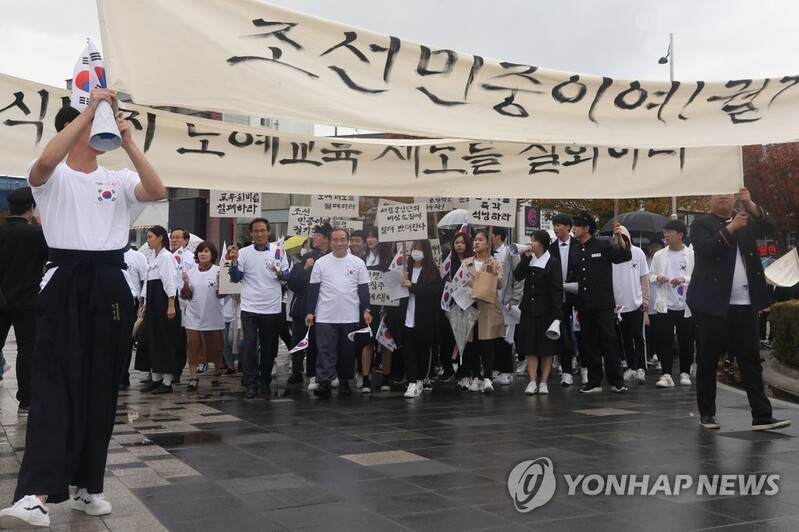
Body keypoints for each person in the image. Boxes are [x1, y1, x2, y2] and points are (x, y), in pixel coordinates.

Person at [0, 91, 166, 529]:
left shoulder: (118, 178)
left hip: (110, 283)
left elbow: (157, 189)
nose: (99, 132)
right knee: (54, 384)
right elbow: (44, 162)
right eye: (92, 126)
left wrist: (129, 140)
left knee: (102, 386)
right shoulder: (52, 179)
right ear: (75, 129)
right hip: (65, 280)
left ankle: (87, 487)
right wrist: (90, 111)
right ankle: (35, 495)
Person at [687, 188, 790, 431]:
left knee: (751, 359)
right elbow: (707, 249)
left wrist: (751, 205)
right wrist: (731, 228)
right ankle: (707, 413)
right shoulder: (702, 224)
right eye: (718, 193)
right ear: (709, 198)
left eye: (728, 193)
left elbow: (770, 226)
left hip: (744, 301)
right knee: (708, 358)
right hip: (712, 304)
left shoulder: (745, 219)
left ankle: (762, 415)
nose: (724, 196)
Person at [567, 210, 632, 394]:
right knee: (588, 343)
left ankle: (616, 380)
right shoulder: (575, 249)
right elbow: (574, 274)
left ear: (586, 228)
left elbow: (624, 257)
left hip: (603, 303)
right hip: (584, 303)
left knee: (609, 341)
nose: (574, 229)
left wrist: (619, 238)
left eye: (577, 225)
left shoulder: (602, 245)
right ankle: (594, 381)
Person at [305, 228, 372, 398]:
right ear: (330, 241)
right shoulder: (321, 263)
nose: (339, 243)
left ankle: (344, 381)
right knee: (325, 350)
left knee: (346, 351)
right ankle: (324, 382)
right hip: (326, 314)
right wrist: (310, 312)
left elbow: (363, 289)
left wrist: (366, 309)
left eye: (343, 239)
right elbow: (313, 290)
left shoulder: (358, 263)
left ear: (347, 241)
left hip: (349, 314)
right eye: (335, 240)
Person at [229, 218, 290, 399]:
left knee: (269, 347)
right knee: (248, 345)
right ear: (251, 233)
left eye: (263, 230)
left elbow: (287, 274)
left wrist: (280, 273)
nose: (260, 234)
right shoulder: (244, 253)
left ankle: (264, 381)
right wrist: (233, 261)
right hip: (250, 307)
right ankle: (250, 382)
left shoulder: (278, 251)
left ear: (268, 232)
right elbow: (235, 277)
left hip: (271, 307)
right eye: (256, 231)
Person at [0, 187, 48, 412]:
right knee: (27, 350)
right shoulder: (36, 235)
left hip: (1, 300)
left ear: (9, 208)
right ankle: (26, 401)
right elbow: (51, 256)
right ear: (31, 208)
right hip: (28, 301)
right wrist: (41, 228)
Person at [514, 230, 564, 395]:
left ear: (541, 243)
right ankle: (532, 381)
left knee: (546, 348)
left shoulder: (553, 262)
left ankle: (543, 382)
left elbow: (557, 290)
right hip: (529, 310)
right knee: (531, 346)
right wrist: (526, 257)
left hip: (547, 311)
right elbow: (517, 275)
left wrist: (557, 316)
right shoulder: (529, 259)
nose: (531, 243)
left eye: (533, 240)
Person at [393, 240, 444, 398]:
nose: (416, 252)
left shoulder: (432, 271)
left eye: (420, 249)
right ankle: (412, 381)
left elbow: (434, 292)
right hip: (407, 316)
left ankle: (422, 378)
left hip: (424, 318)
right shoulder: (404, 269)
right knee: (408, 351)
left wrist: (413, 287)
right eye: (414, 248)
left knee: (423, 350)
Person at [650, 220, 695, 388]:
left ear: (681, 234)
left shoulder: (691, 255)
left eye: (670, 232)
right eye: (665, 232)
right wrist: (658, 278)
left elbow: (698, 277)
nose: (666, 235)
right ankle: (666, 374)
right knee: (664, 340)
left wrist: (684, 279)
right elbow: (651, 276)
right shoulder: (659, 255)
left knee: (686, 341)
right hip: (664, 304)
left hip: (685, 306)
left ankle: (684, 372)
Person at [287, 223, 331, 390]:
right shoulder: (307, 257)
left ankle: (315, 373)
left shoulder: (333, 257)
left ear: (327, 239)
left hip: (324, 308)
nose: (314, 238)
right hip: (302, 308)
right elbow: (293, 284)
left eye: (318, 235)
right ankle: (296, 371)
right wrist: (305, 269)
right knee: (297, 339)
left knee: (316, 343)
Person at [138, 226, 179, 394]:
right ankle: (155, 378)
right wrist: (146, 302)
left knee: (165, 340)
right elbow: (148, 283)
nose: (148, 240)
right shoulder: (154, 257)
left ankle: (167, 382)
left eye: (150, 237)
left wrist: (170, 304)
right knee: (151, 339)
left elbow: (170, 281)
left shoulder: (166, 257)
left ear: (160, 237)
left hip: (163, 301)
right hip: (153, 301)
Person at [462, 229, 504, 394]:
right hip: (470, 305)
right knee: (472, 343)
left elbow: (500, 284)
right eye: (475, 240)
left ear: (488, 243)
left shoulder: (494, 262)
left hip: (487, 307)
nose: (476, 242)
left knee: (488, 343)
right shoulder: (466, 262)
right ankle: (476, 376)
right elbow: (461, 282)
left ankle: (487, 377)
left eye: (480, 240)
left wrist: (493, 273)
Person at [181, 242, 225, 392]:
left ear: (212, 254)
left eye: (206, 251)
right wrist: (186, 284)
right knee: (192, 346)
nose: (203, 254)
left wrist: (221, 283)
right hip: (194, 316)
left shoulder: (218, 271)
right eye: (200, 251)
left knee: (216, 347)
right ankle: (193, 377)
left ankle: (217, 371)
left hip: (213, 316)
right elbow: (187, 295)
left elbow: (222, 295)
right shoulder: (191, 272)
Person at [612, 226, 650, 385]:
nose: (621, 242)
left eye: (624, 239)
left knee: (638, 337)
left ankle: (641, 367)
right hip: (619, 304)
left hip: (636, 302)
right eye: (618, 239)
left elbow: (644, 277)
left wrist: (646, 299)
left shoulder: (638, 253)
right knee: (625, 337)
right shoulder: (613, 254)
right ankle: (631, 367)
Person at [546, 213, 579, 386]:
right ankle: (566, 369)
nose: (556, 228)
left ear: (568, 227)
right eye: (554, 225)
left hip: (578, 296)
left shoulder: (578, 245)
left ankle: (584, 366)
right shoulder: (550, 248)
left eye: (559, 225)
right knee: (562, 333)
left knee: (582, 333)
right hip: (558, 299)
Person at [491, 227, 522, 386]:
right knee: (493, 337)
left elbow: (518, 278)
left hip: (507, 302)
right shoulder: (487, 255)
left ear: (498, 236)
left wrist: (515, 299)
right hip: (491, 302)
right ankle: (495, 368)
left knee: (506, 338)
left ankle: (507, 371)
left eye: (491, 234)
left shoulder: (511, 254)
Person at [120, 243, 148, 389]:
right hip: (113, 301)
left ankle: (124, 375)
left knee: (127, 340)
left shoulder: (138, 257)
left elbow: (144, 281)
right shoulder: (110, 254)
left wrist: (143, 302)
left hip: (131, 302)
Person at [170, 228, 194, 379]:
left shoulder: (190, 257)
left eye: (178, 238)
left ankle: (177, 370)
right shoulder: (166, 256)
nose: (174, 240)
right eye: (172, 237)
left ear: (186, 241)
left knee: (180, 339)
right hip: (168, 301)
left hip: (183, 302)